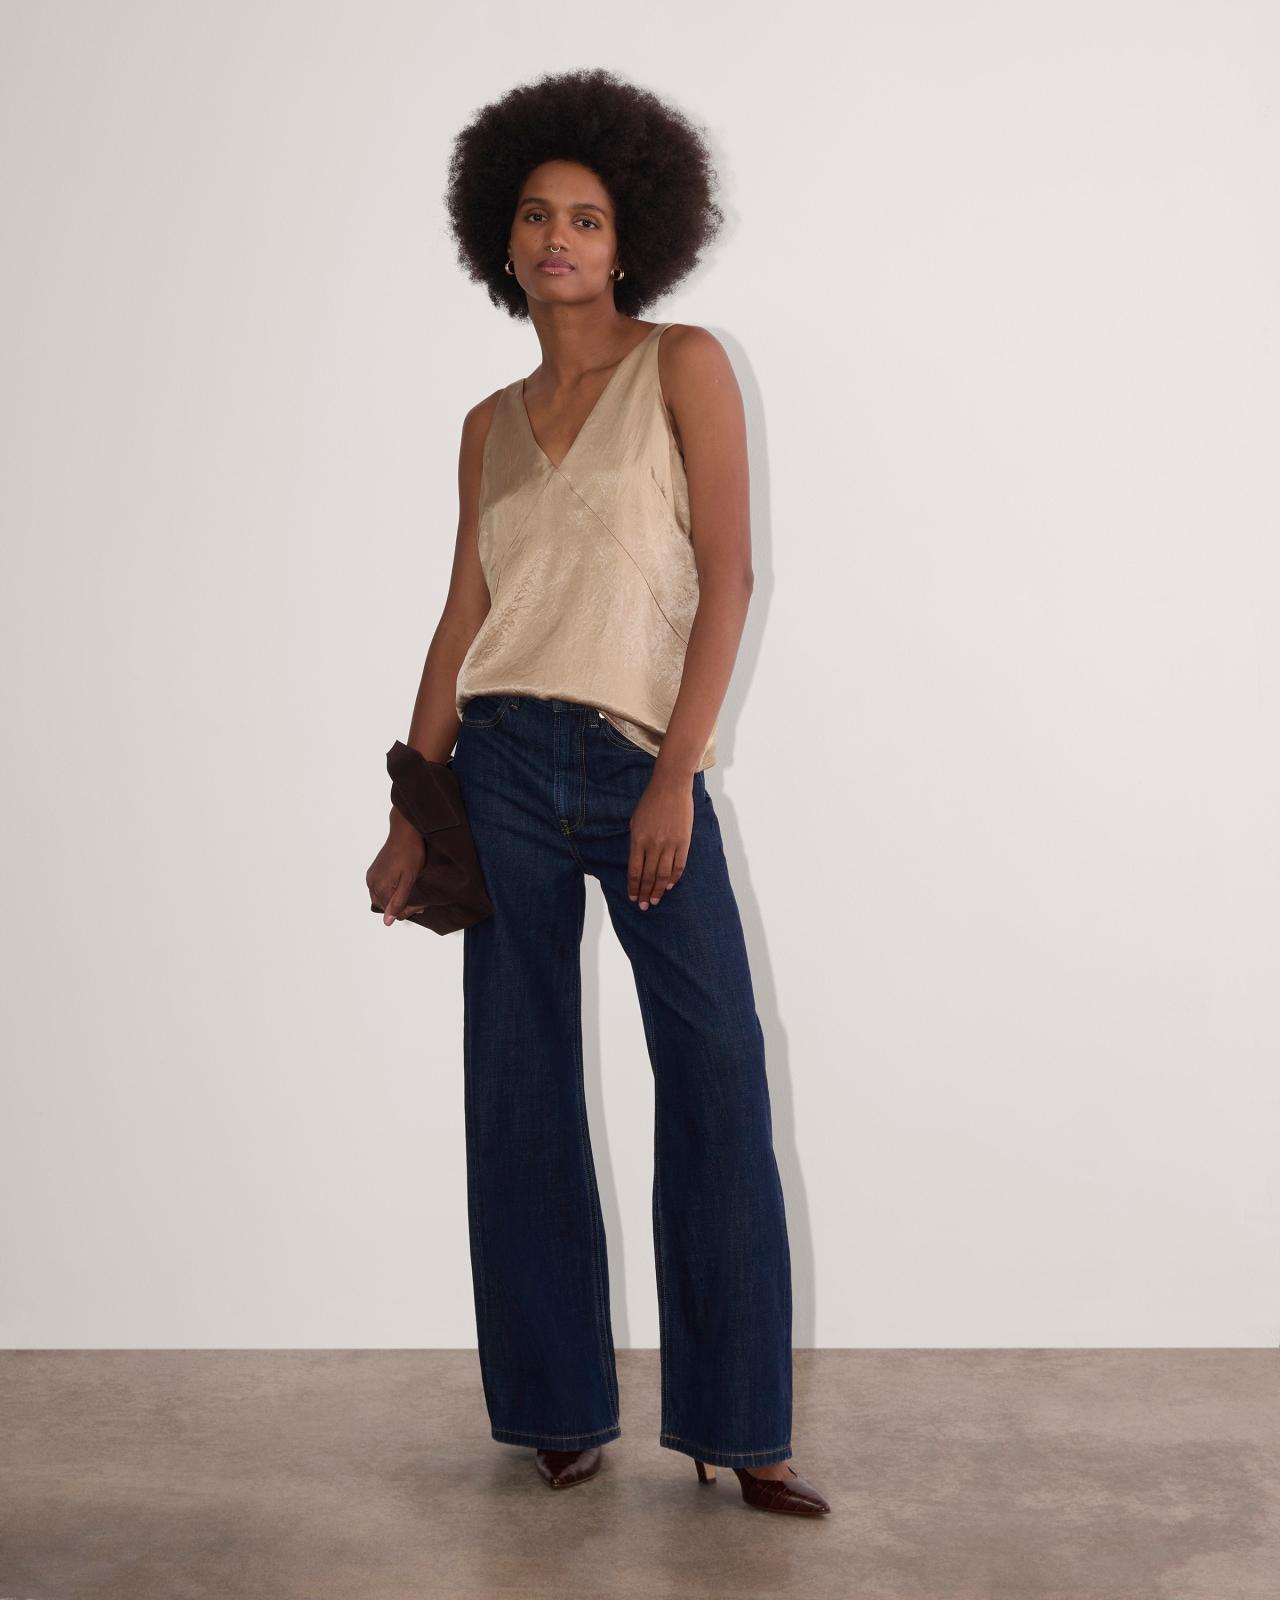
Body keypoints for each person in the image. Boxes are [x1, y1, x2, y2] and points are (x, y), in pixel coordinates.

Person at [366, 68, 830, 1518]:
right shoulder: (487, 422)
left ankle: (743, 1428)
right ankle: (556, 1410)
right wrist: (412, 802)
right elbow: (464, 616)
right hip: (499, 762)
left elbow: (730, 577)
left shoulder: (684, 364)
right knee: (518, 1088)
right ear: (499, 241)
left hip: (640, 762)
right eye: (533, 216)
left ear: (628, 240)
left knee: (716, 1071)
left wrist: (676, 774)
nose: (557, 237)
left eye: (584, 217)